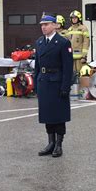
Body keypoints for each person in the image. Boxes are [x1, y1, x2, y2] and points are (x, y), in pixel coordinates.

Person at [35, 12, 73, 157]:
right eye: (42, 25)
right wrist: (36, 83)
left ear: (54, 26)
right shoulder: (39, 42)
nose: (43, 27)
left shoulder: (63, 42)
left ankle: (58, 144)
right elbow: (37, 66)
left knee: (58, 115)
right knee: (47, 114)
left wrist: (65, 87)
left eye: (46, 24)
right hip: (44, 82)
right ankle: (50, 142)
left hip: (57, 82)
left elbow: (68, 68)